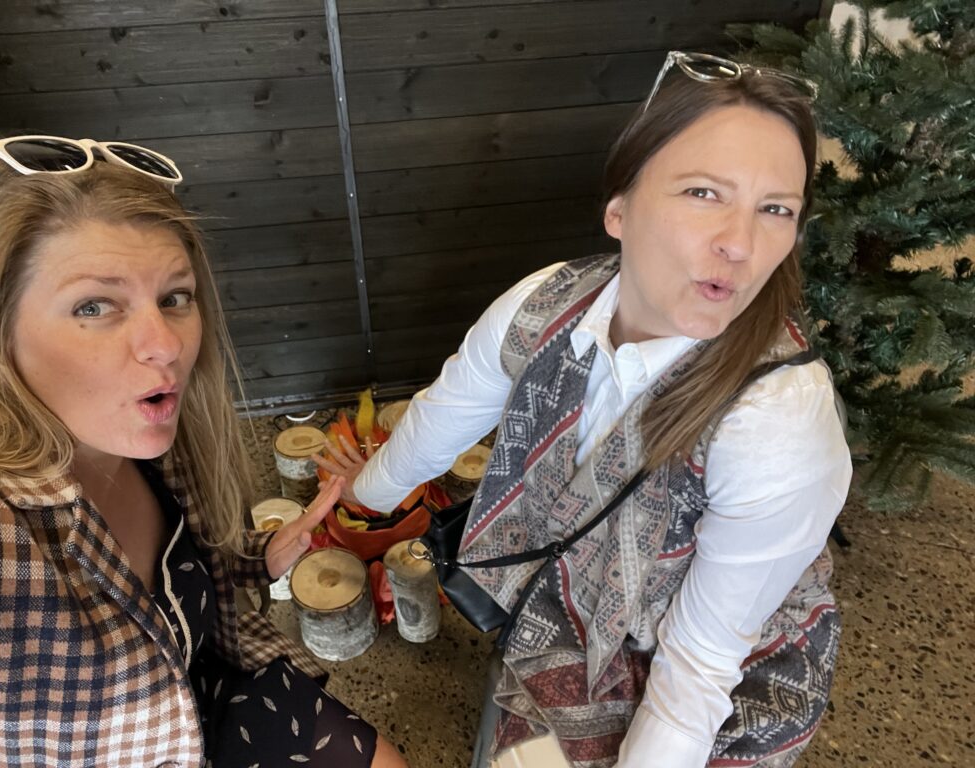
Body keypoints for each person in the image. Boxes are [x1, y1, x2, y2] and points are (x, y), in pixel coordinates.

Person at [317, 52, 852, 768]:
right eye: (702, 192)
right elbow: (440, 421)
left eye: (776, 209)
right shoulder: (542, 305)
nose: (740, 245)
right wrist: (360, 492)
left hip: (712, 692)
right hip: (562, 619)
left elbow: (696, 671)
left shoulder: (779, 421)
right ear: (619, 211)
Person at [0, 136, 407, 768]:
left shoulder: (159, 450)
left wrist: (258, 560)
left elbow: (194, 581)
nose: (164, 344)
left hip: (206, 698)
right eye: (94, 306)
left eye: (174, 298)